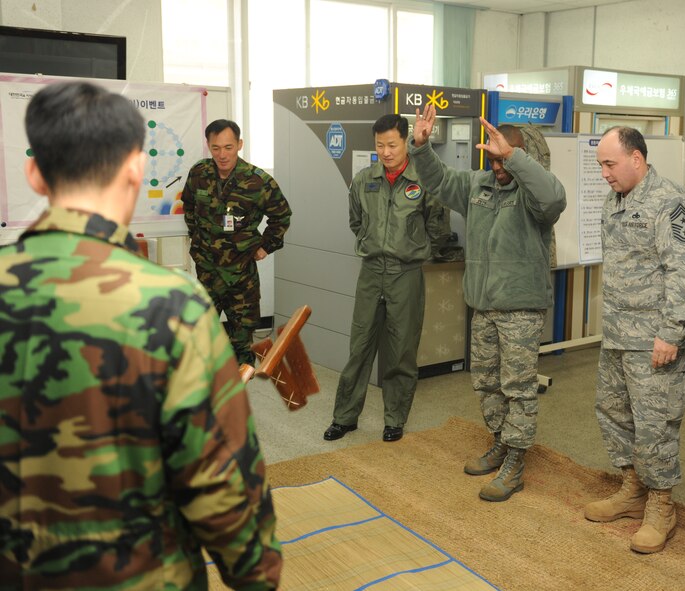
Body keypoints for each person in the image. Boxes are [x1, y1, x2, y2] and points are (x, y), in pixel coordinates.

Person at [0, 82, 281, 588]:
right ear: (135, 168)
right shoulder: (173, 309)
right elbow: (219, 477)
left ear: (34, 173)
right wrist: (256, 576)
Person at [410, 104, 566, 502]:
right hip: (483, 306)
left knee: (518, 388)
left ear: (518, 156)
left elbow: (552, 200)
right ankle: (500, 441)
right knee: (486, 383)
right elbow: (439, 181)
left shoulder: (535, 194)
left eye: (503, 159)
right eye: (492, 159)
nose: (496, 167)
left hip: (520, 310)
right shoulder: (478, 185)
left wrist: (514, 158)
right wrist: (421, 146)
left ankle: (515, 462)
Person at [582, 126, 685, 554]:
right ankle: (632, 491)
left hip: (654, 340)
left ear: (637, 159)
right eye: (600, 166)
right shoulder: (613, 199)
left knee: (655, 425)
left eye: (610, 164)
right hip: (616, 334)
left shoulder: (672, 203)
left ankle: (661, 506)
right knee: (614, 414)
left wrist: (671, 332)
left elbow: (683, 273)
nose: (604, 174)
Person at [323, 114, 446, 443]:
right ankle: (345, 417)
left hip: (406, 275)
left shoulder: (424, 181)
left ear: (406, 142)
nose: (386, 152)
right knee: (359, 347)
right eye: (380, 145)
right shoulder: (365, 180)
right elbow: (355, 221)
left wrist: (413, 248)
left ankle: (394, 419)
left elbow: (438, 227)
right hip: (371, 273)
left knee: (401, 350)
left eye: (392, 144)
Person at [181, 119, 292, 366]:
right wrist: (197, 237)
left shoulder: (257, 181)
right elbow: (188, 205)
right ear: (208, 146)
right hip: (207, 271)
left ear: (240, 144)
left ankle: (240, 395)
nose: (222, 155)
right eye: (216, 148)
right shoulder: (199, 173)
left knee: (242, 344)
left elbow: (282, 215)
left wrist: (266, 246)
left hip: (240, 274)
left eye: (229, 147)